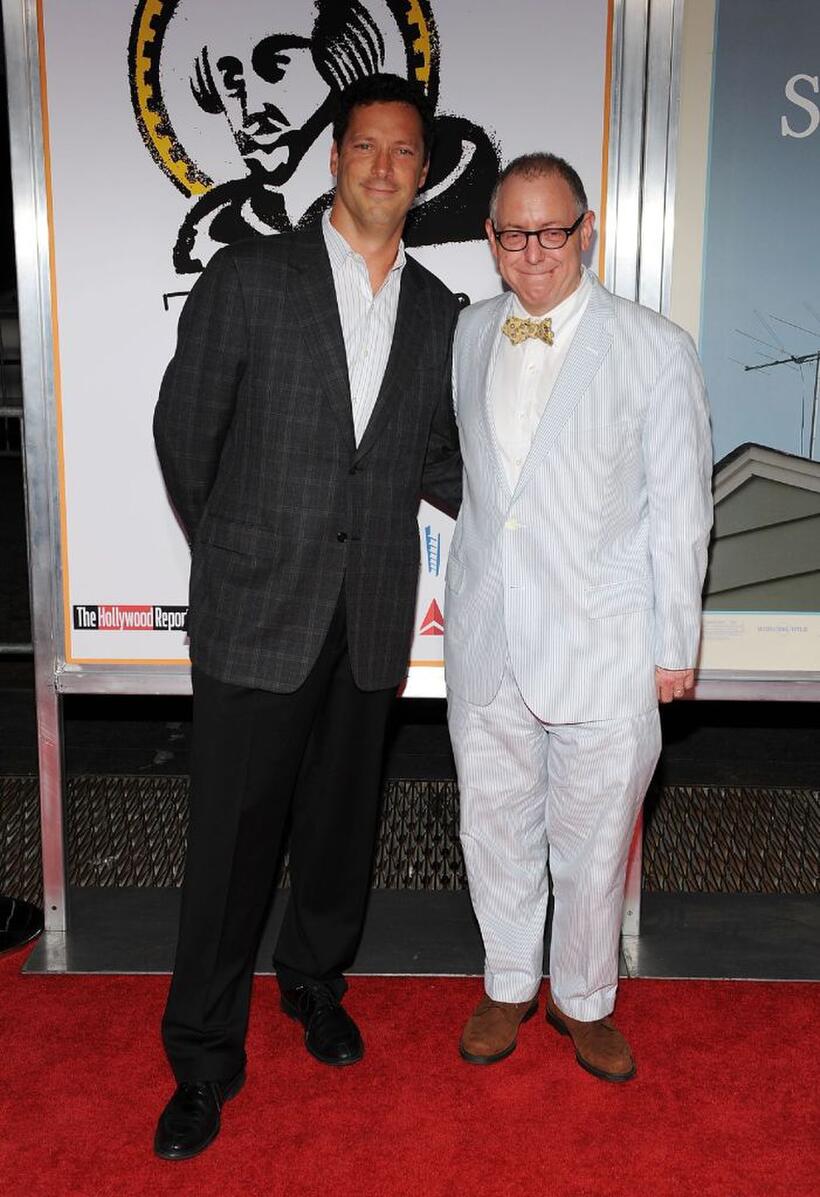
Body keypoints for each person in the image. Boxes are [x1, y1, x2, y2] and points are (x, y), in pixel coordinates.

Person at [152, 72, 461, 1160]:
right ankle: (201, 1057)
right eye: (366, 146)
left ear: (423, 174)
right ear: (333, 158)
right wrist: (236, 550)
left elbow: (435, 458)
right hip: (257, 607)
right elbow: (186, 431)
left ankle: (315, 984)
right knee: (229, 846)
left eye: (404, 151)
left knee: (338, 831)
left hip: (370, 612)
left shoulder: (438, 311)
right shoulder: (252, 276)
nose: (384, 165)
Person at [444, 153, 712, 1082]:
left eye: (551, 230)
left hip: (605, 643)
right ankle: (509, 978)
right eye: (513, 233)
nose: (533, 251)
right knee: (493, 820)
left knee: (593, 841)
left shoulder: (653, 347)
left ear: (586, 228)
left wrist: (675, 643)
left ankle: (585, 997)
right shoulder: (470, 334)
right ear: (490, 238)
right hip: (486, 636)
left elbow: (682, 509)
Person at [172, 0, 499, 271]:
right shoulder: (216, 242)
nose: (251, 107)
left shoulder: (461, 188)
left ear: (341, 59)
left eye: (275, 69)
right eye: (231, 82)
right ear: (336, 157)